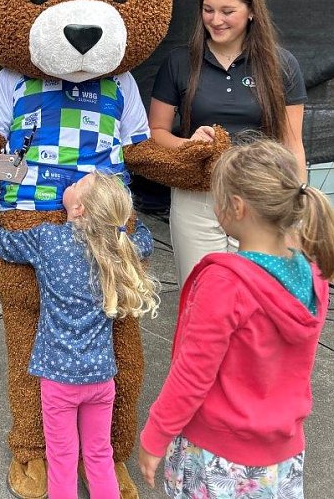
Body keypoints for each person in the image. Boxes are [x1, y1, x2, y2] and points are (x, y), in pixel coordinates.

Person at [139, 138, 333, 499]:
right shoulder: (314, 274)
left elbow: (193, 373)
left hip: (217, 458)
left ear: (238, 207)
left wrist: (156, 434)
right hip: (282, 459)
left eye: (218, 198)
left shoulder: (225, 283)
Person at [0, 170, 160, 499]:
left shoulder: (48, 239)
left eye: (79, 184)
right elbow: (146, 240)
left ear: (78, 208)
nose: (75, 178)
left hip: (58, 380)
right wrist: (127, 225)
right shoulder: (119, 246)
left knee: (62, 458)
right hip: (102, 379)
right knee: (99, 455)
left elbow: (3, 243)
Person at [148, 0, 308, 286]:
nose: (216, 20)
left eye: (227, 11)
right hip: (196, 194)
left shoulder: (281, 65)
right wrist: (189, 144)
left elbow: (292, 144)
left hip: (260, 195)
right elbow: (156, 132)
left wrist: (297, 207)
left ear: (251, 12)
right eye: (208, 10)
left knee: (254, 294)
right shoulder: (180, 62)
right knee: (200, 291)